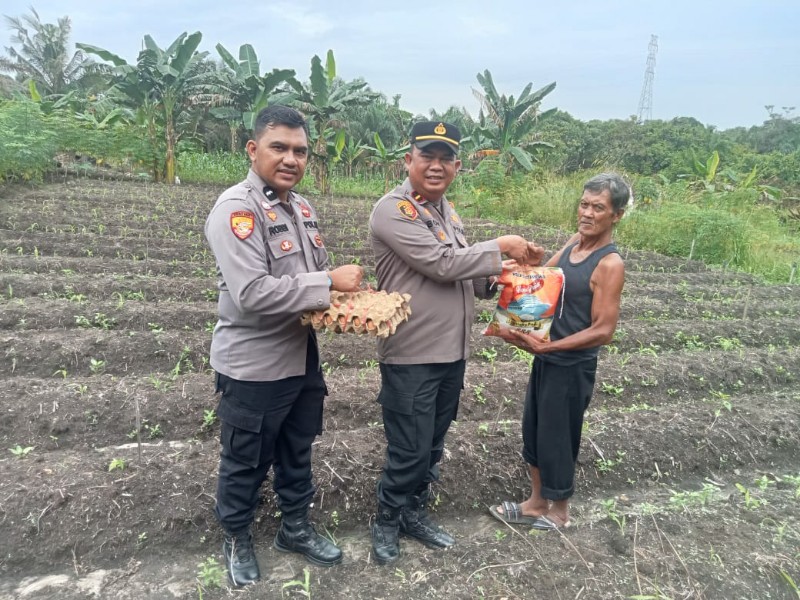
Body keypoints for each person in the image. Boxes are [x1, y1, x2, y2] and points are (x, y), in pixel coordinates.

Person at [368, 121, 544, 564]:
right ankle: (387, 518)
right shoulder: (393, 211)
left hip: (451, 353)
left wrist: (507, 277)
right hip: (412, 353)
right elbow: (443, 264)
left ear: (458, 166)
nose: (436, 165)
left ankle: (414, 512)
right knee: (408, 447)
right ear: (407, 160)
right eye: (426, 155)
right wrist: (500, 245)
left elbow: (468, 278)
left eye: (445, 158)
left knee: (430, 446)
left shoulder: (449, 213)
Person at [204, 105, 363, 586]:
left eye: (300, 150)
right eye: (279, 147)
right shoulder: (237, 210)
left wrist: (350, 299)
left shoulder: (301, 208)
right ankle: (236, 536)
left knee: (297, 448)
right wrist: (328, 281)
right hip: (254, 362)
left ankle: (294, 527)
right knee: (246, 456)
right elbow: (251, 293)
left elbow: (308, 281)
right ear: (253, 150)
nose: (291, 158)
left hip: (300, 354)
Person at [489, 172, 628, 531]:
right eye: (584, 204)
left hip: (572, 366)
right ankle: (536, 502)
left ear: (617, 215)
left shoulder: (609, 265)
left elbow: (603, 330)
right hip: (546, 359)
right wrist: (519, 273)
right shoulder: (572, 245)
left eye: (598, 208)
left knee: (560, 436)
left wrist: (551, 345)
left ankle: (560, 510)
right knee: (534, 430)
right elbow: (543, 279)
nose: (587, 213)